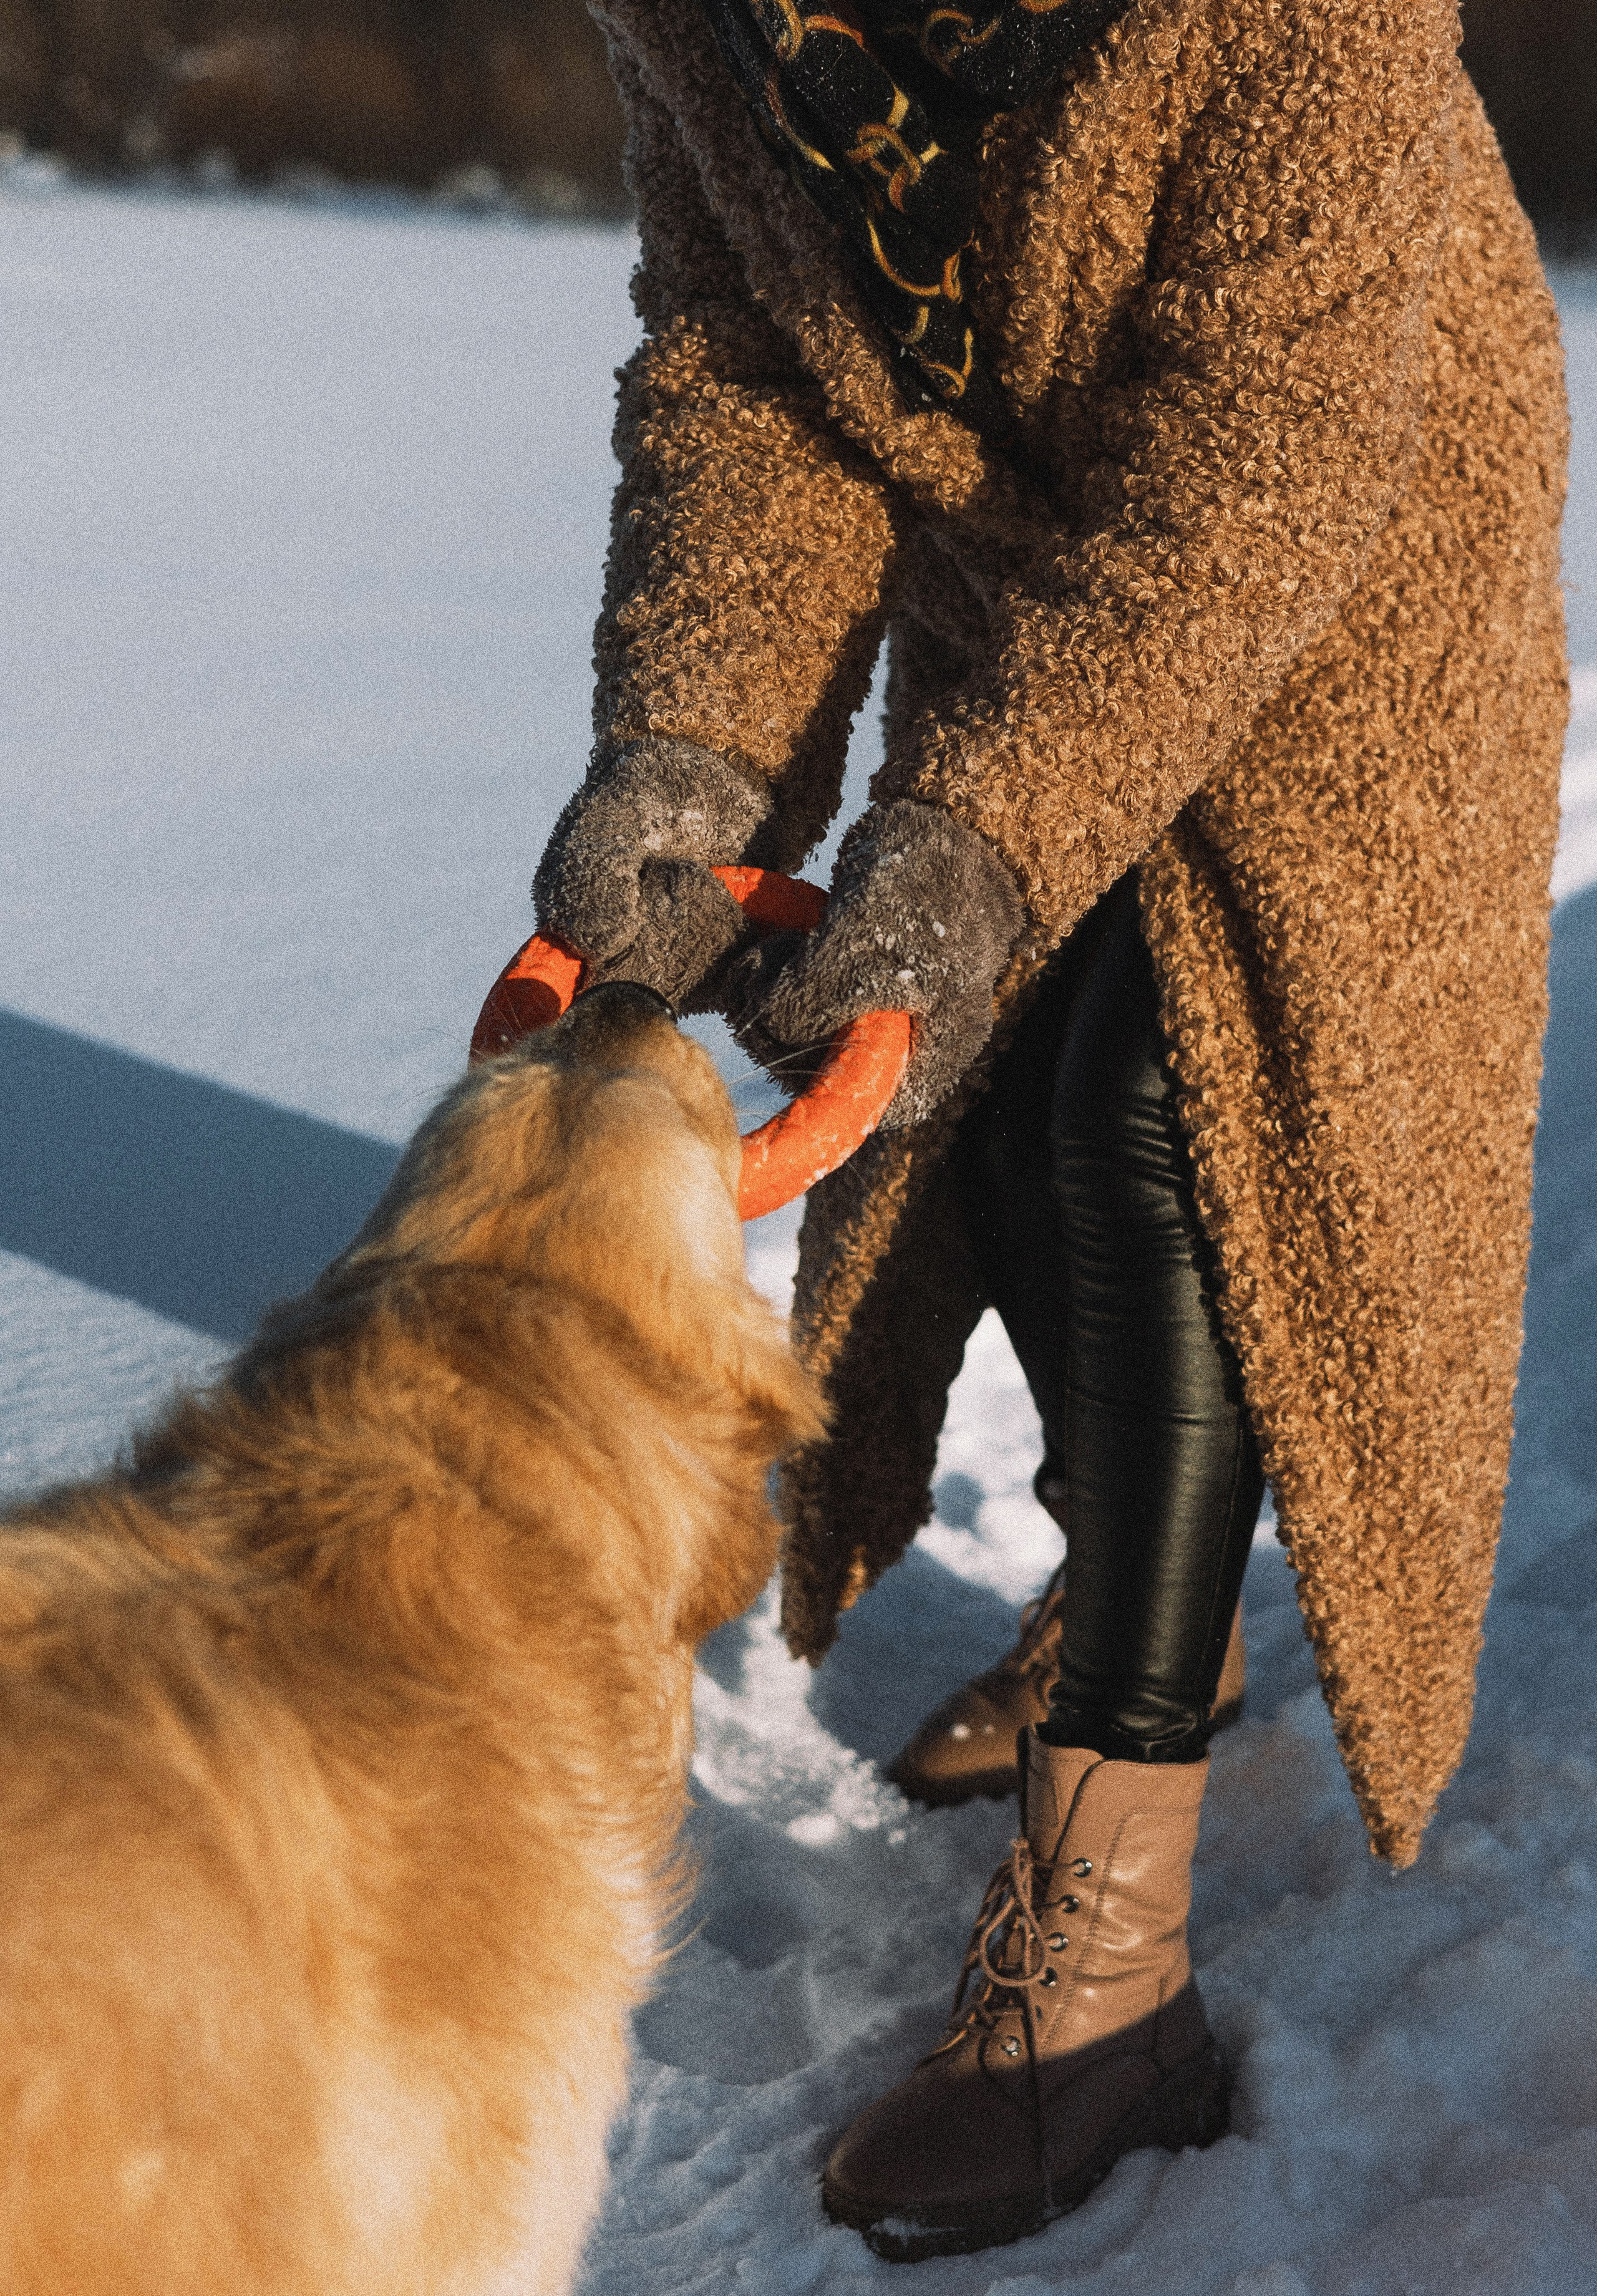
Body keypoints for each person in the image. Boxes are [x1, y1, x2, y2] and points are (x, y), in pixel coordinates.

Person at [531, 0, 1569, 2259]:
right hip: (1039, 535)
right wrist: (696, 757)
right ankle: (1145, 1596)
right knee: (981, 1115)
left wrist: (986, 834)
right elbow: (745, 365)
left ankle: (1109, 1983)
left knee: (1162, 1107)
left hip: (1363, 492)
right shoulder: (709, 26)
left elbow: (1263, 442)